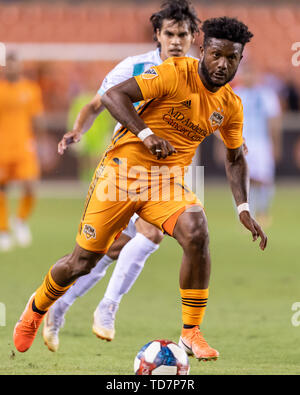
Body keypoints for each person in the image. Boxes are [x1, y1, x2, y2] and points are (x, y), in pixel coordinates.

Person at [14, 16, 268, 362]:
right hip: (121, 175)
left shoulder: (230, 105)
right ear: (204, 49)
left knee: (196, 231)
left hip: (167, 183)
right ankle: (36, 308)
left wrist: (244, 209)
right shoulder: (174, 72)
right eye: (217, 55)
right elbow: (112, 96)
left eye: (232, 58)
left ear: (240, 59)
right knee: (82, 261)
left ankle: (190, 331)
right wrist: (147, 135)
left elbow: (236, 158)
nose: (223, 64)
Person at [42, 0, 201, 352]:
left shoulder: (199, 74)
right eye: (169, 34)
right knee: (104, 253)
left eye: (183, 34)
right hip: (125, 168)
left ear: (193, 37)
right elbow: (98, 104)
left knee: (151, 236)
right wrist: (78, 130)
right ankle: (59, 307)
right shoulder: (135, 67)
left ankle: (107, 307)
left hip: (171, 171)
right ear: (158, 35)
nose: (176, 41)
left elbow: (216, 112)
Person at [0, 53, 44, 251]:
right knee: (1, 189)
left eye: (14, 64)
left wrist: (39, 142)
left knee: (31, 185)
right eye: (7, 65)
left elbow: (37, 117)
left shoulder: (31, 90)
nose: (11, 68)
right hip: (2, 147)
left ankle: (20, 220)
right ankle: (3, 230)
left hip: (24, 146)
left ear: (19, 66)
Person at [234, 64, 282, 226]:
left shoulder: (267, 94)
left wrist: (275, 145)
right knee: (243, 179)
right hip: (242, 143)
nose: (248, 77)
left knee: (264, 179)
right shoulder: (236, 94)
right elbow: (228, 123)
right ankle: (247, 214)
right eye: (245, 74)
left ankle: (263, 211)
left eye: (251, 73)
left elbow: (274, 121)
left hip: (262, 143)